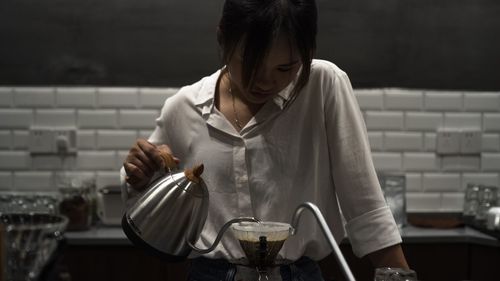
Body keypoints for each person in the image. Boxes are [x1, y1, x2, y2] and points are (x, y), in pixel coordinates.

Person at [121, 0, 410, 280]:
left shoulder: (324, 86)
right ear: (223, 37)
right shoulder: (184, 107)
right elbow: (144, 200)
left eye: (285, 68)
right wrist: (140, 173)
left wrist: (399, 275)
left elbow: (366, 207)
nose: (264, 82)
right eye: (250, 62)